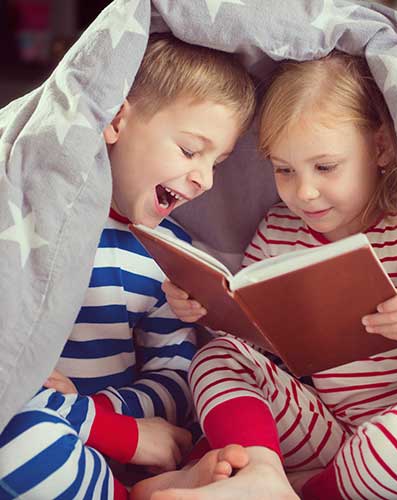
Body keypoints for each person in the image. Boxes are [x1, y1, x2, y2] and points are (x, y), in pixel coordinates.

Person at [144, 51, 397, 500]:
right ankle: (261, 472)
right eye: (284, 170)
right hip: (324, 426)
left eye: (325, 167)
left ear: (379, 148)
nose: (303, 192)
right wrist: (210, 311)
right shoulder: (278, 230)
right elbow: (256, 337)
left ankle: (300, 492)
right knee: (218, 355)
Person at [0, 33, 256, 500]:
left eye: (218, 161)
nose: (206, 178)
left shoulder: (170, 255)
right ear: (118, 119)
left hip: (126, 441)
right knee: (15, 440)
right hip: (44, 432)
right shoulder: (31, 214)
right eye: (190, 150)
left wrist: (104, 415)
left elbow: (177, 375)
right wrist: (96, 425)